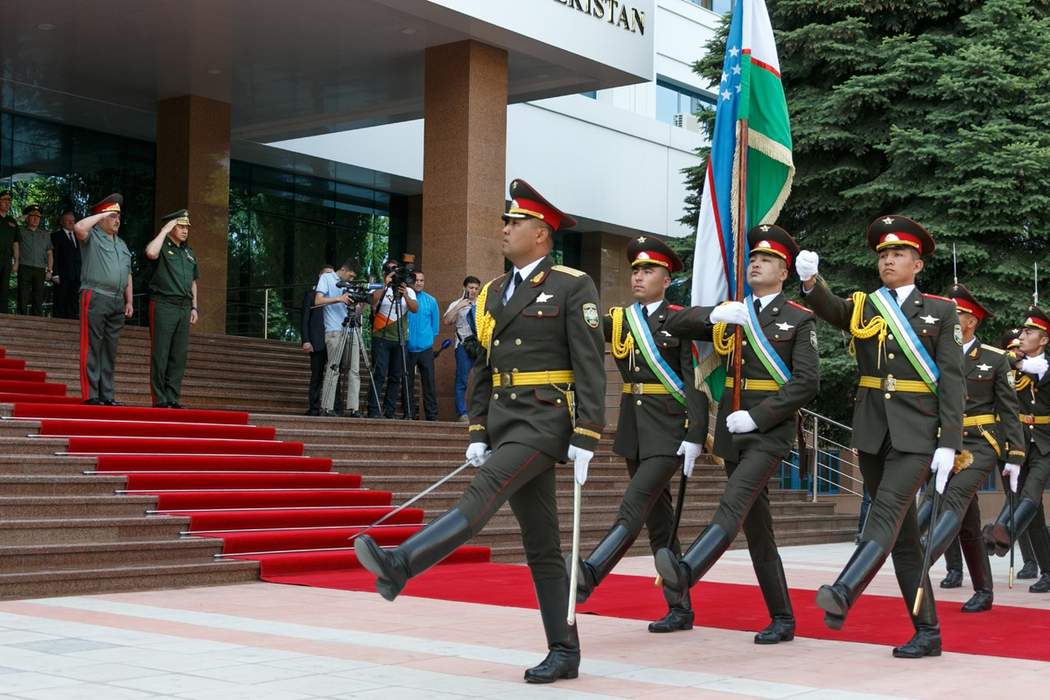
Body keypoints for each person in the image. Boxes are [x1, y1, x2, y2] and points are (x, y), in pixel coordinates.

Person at [355, 179, 605, 684]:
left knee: (482, 495)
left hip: (545, 420)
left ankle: (402, 564)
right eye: (506, 220)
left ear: (541, 233)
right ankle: (565, 650)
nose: (505, 228)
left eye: (515, 222)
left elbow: (590, 364)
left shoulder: (571, 284)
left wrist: (588, 434)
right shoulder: (492, 292)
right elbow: (484, 366)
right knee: (541, 544)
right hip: (506, 422)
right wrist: (477, 429)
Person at [796, 215, 964, 658]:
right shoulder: (867, 305)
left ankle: (845, 589)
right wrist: (811, 283)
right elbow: (834, 312)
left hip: (917, 432)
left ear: (918, 264)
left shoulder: (941, 312)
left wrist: (950, 440)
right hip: (872, 429)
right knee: (905, 541)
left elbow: (952, 378)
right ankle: (927, 632)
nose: (889, 260)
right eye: (884, 255)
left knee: (885, 512)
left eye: (898, 254)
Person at [657, 225, 819, 645]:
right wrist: (713, 314)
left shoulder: (799, 319)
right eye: (752, 259)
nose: (755, 264)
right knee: (757, 528)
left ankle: (688, 569)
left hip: (768, 432)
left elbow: (806, 382)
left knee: (733, 502)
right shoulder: (734, 311)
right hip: (733, 431)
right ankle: (783, 617)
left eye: (765, 260)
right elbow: (672, 322)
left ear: (784, 272)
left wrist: (759, 417)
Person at [567, 235, 708, 634]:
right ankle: (680, 607)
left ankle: (591, 572)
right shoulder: (620, 319)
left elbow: (694, 380)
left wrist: (696, 432)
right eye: (636, 270)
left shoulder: (679, 318)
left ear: (666, 278)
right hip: (635, 427)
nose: (639, 276)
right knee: (659, 521)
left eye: (648, 270)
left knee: (634, 502)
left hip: (669, 429)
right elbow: (584, 338)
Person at [914, 283, 1024, 613]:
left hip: (981, 443)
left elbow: (1009, 410)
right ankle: (984, 591)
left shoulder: (994, 359)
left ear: (971, 321)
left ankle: (921, 560)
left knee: (952, 496)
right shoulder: (934, 355)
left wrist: (1016, 455)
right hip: (946, 443)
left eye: (956, 313)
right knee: (966, 522)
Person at [981, 306, 1050, 593]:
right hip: (1019, 441)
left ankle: (1003, 532)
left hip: (1046, 441)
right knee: (1031, 511)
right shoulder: (1007, 363)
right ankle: (1047, 571)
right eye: (1022, 331)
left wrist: (1019, 364)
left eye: (1029, 332)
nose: (1023, 336)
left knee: (1030, 494)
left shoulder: (1043, 365)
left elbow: (1041, 372)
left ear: (1044, 339)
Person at [74, 194, 133, 406]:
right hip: (96, 295)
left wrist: (129, 301)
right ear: (101, 218)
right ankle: (91, 395)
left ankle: (107, 395)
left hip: (117, 300)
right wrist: (100, 215)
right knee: (91, 346)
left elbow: (127, 274)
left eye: (118, 216)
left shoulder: (122, 244)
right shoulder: (93, 236)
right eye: (112, 216)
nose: (117, 220)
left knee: (110, 349)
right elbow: (79, 228)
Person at [144, 209, 199, 408]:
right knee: (161, 353)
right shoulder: (162, 247)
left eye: (187, 227)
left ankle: (172, 397)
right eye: (181, 226)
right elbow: (150, 253)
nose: (185, 231)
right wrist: (164, 231)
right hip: (164, 304)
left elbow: (193, 282)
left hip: (184, 307)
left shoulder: (188, 252)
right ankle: (160, 399)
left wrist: (195, 307)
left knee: (179, 355)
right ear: (170, 227)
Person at [367, 259, 418, 418]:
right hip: (381, 336)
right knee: (379, 374)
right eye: (390, 271)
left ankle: (389, 411)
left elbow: (415, 308)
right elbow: (373, 302)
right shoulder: (381, 289)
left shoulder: (408, 291)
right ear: (385, 273)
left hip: (400, 339)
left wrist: (405, 295)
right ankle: (374, 410)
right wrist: (385, 285)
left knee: (396, 376)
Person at [315, 261, 363, 417]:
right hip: (334, 330)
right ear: (343, 269)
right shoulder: (327, 278)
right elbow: (318, 301)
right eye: (349, 276)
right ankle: (327, 407)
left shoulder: (350, 284)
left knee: (355, 370)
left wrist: (361, 303)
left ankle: (353, 408)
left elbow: (355, 312)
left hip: (351, 329)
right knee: (333, 368)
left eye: (353, 278)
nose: (350, 280)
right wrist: (339, 299)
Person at [302, 264, 340, 416]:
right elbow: (305, 319)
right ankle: (314, 408)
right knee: (316, 375)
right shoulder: (311, 296)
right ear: (320, 277)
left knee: (335, 373)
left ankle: (334, 407)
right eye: (326, 275)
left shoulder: (337, 295)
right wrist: (305, 340)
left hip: (334, 338)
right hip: (317, 341)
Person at [444, 275, 481, 420]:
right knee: (462, 379)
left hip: (480, 345)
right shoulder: (456, 304)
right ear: (464, 288)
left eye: (476, 288)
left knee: (482, 379)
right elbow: (447, 321)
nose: (473, 291)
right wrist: (459, 306)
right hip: (463, 346)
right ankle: (462, 413)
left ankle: (480, 412)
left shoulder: (482, 304)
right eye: (471, 288)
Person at [405, 270, 440, 421]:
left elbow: (435, 326)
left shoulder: (431, 301)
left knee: (429, 384)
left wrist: (428, 341)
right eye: (416, 280)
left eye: (422, 280)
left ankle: (432, 415)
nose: (419, 283)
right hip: (407, 347)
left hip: (425, 349)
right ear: (411, 282)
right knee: (407, 383)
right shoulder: (404, 299)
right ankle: (409, 413)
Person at [14, 204, 53, 316]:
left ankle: (38, 323)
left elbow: (50, 253)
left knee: (38, 297)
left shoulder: (45, 234)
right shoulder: (20, 230)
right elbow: (9, 225)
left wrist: (49, 270)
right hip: (24, 266)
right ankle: (20, 320)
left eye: (38, 217)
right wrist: (19, 218)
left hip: (40, 269)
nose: (36, 219)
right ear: (27, 218)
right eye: (32, 216)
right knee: (23, 296)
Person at [50, 209, 81, 319]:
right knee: (60, 301)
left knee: (73, 301)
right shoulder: (56, 236)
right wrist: (54, 273)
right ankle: (58, 328)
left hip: (76, 276)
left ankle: (71, 326)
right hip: (62, 275)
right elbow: (54, 256)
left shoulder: (78, 237)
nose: (72, 223)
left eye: (73, 221)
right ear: (62, 222)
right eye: (69, 221)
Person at [0, 190, 18, 313]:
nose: (8, 203)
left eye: (9, 201)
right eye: (5, 200)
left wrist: (16, 261)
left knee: (4, 289)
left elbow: (15, 243)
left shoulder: (12, 221)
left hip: (6, 260)